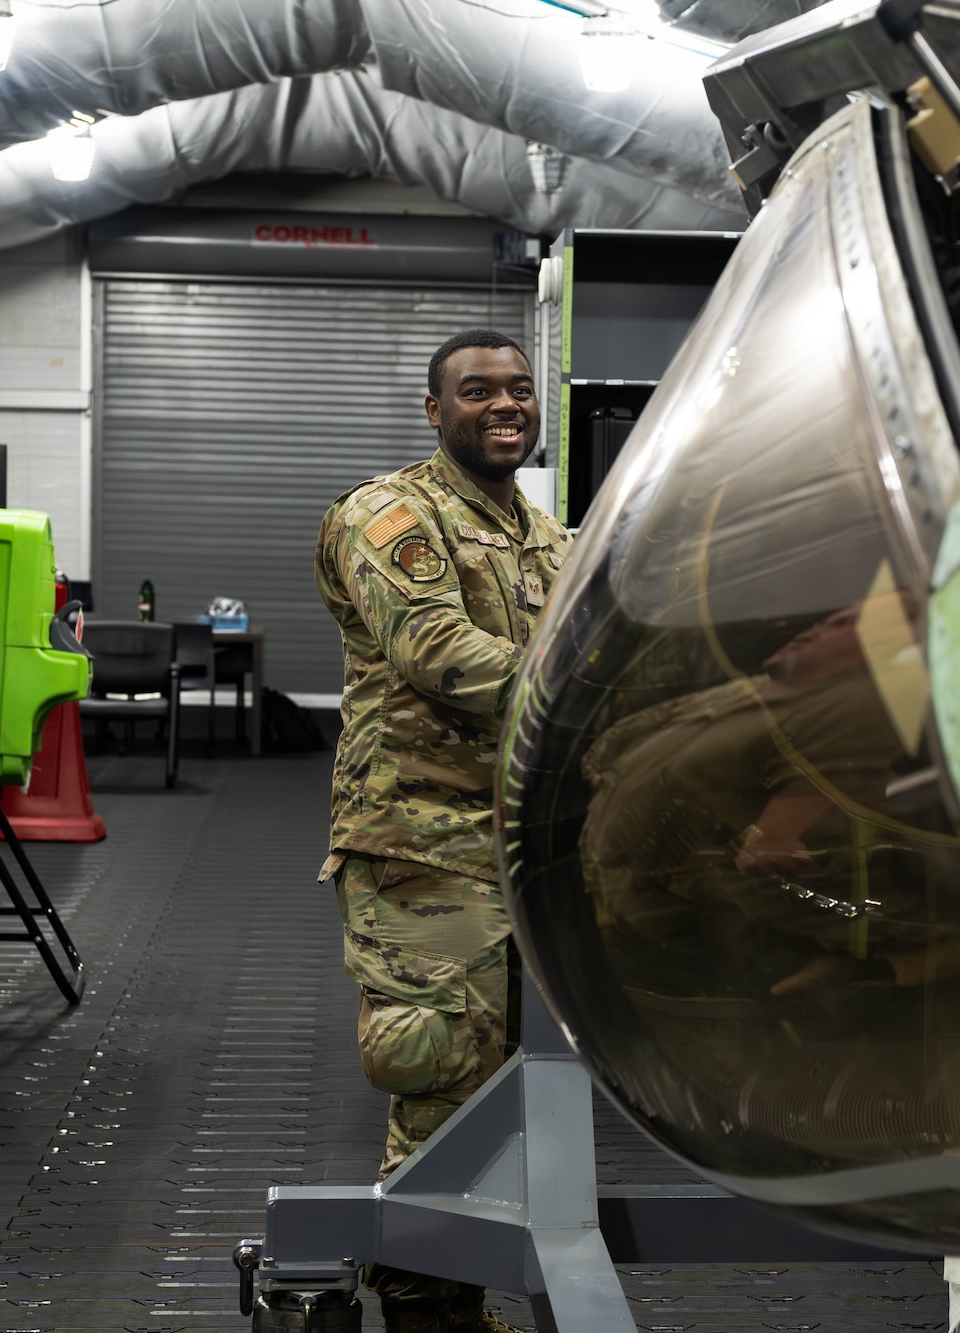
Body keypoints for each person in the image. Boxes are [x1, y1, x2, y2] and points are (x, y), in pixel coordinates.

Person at [314, 328, 569, 1333]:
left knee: (516, 1091)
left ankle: (459, 1298)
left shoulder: (544, 535)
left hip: (523, 850)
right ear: (435, 410)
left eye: (518, 389)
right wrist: (587, 696)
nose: (504, 404)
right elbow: (434, 647)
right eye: (476, 390)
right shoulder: (389, 514)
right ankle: (428, 1318)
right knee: (441, 1084)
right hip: (422, 850)